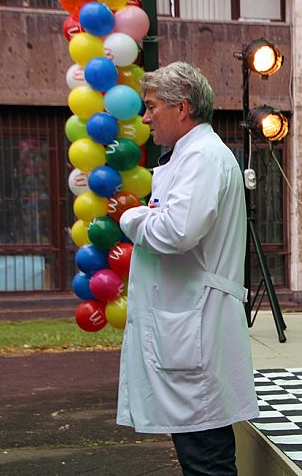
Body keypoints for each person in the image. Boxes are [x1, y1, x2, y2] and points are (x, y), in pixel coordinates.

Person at [116, 61, 259, 475]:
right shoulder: (189, 157)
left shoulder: (203, 157)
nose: (145, 118)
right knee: (200, 454)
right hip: (187, 324)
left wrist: (131, 216)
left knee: (207, 459)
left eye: (151, 107)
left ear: (182, 108)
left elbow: (176, 232)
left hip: (197, 327)